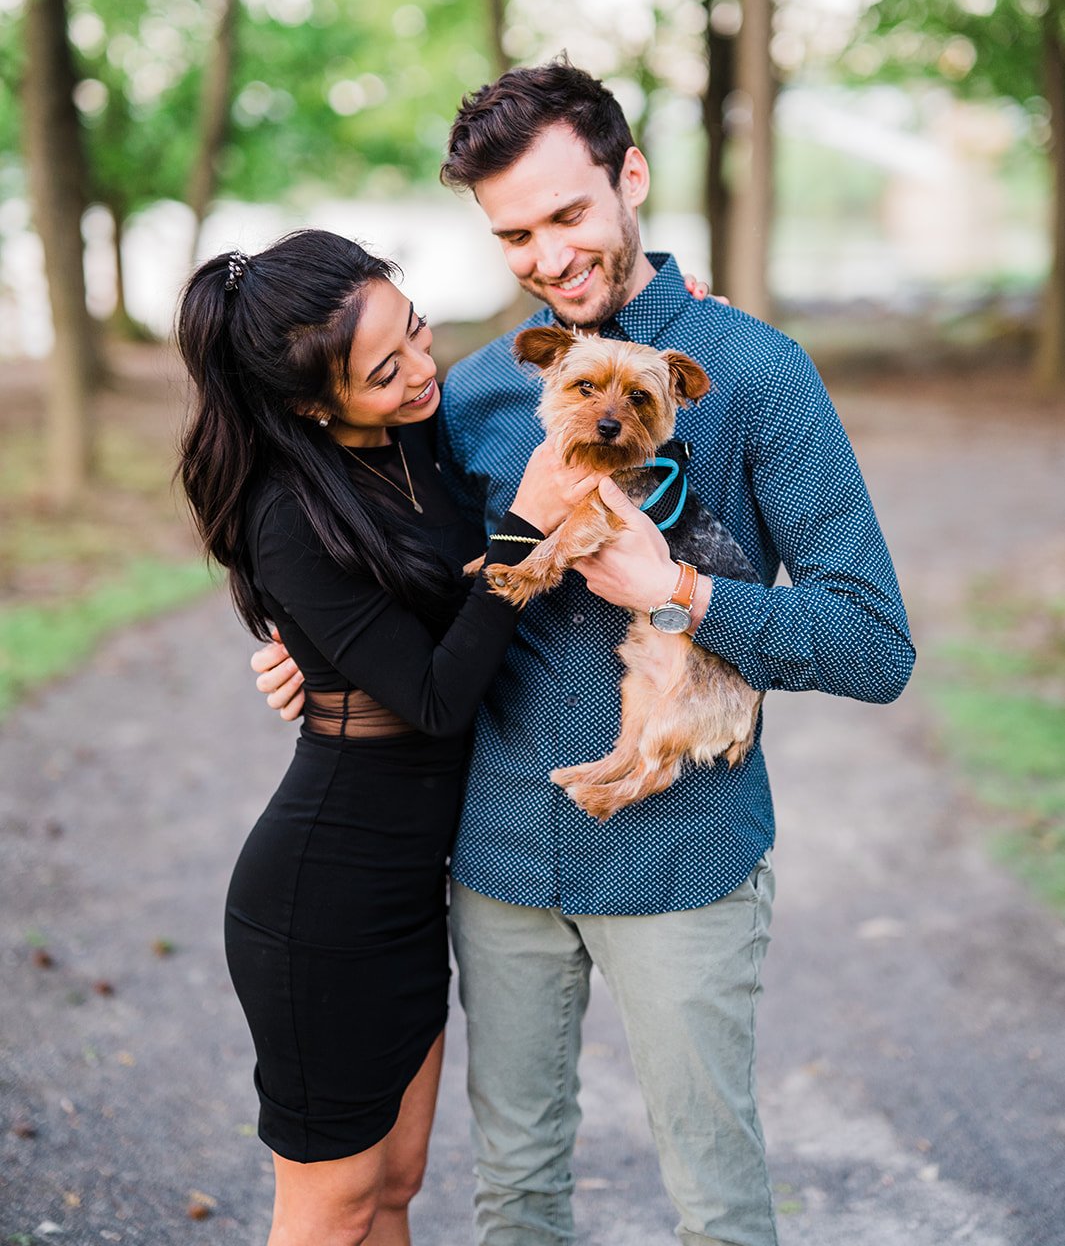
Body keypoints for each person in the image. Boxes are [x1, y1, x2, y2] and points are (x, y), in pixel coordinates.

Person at [252, 60, 916, 1246]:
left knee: (715, 1204)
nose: (550, 257)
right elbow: (351, 532)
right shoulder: (476, 393)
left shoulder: (758, 376)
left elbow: (875, 643)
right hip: (497, 860)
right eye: (515, 233)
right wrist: (308, 649)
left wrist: (684, 592)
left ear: (632, 179)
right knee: (513, 1197)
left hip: (684, 862)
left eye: (568, 215)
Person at [175, 229, 606, 1246]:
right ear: (311, 404)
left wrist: (656, 316)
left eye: (415, 331)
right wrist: (521, 535)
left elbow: (537, 358)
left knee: (397, 1185)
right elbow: (436, 697)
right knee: (328, 1211)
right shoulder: (290, 514)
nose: (423, 371)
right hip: (324, 900)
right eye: (385, 370)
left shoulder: (416, 432)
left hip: (413, 892)